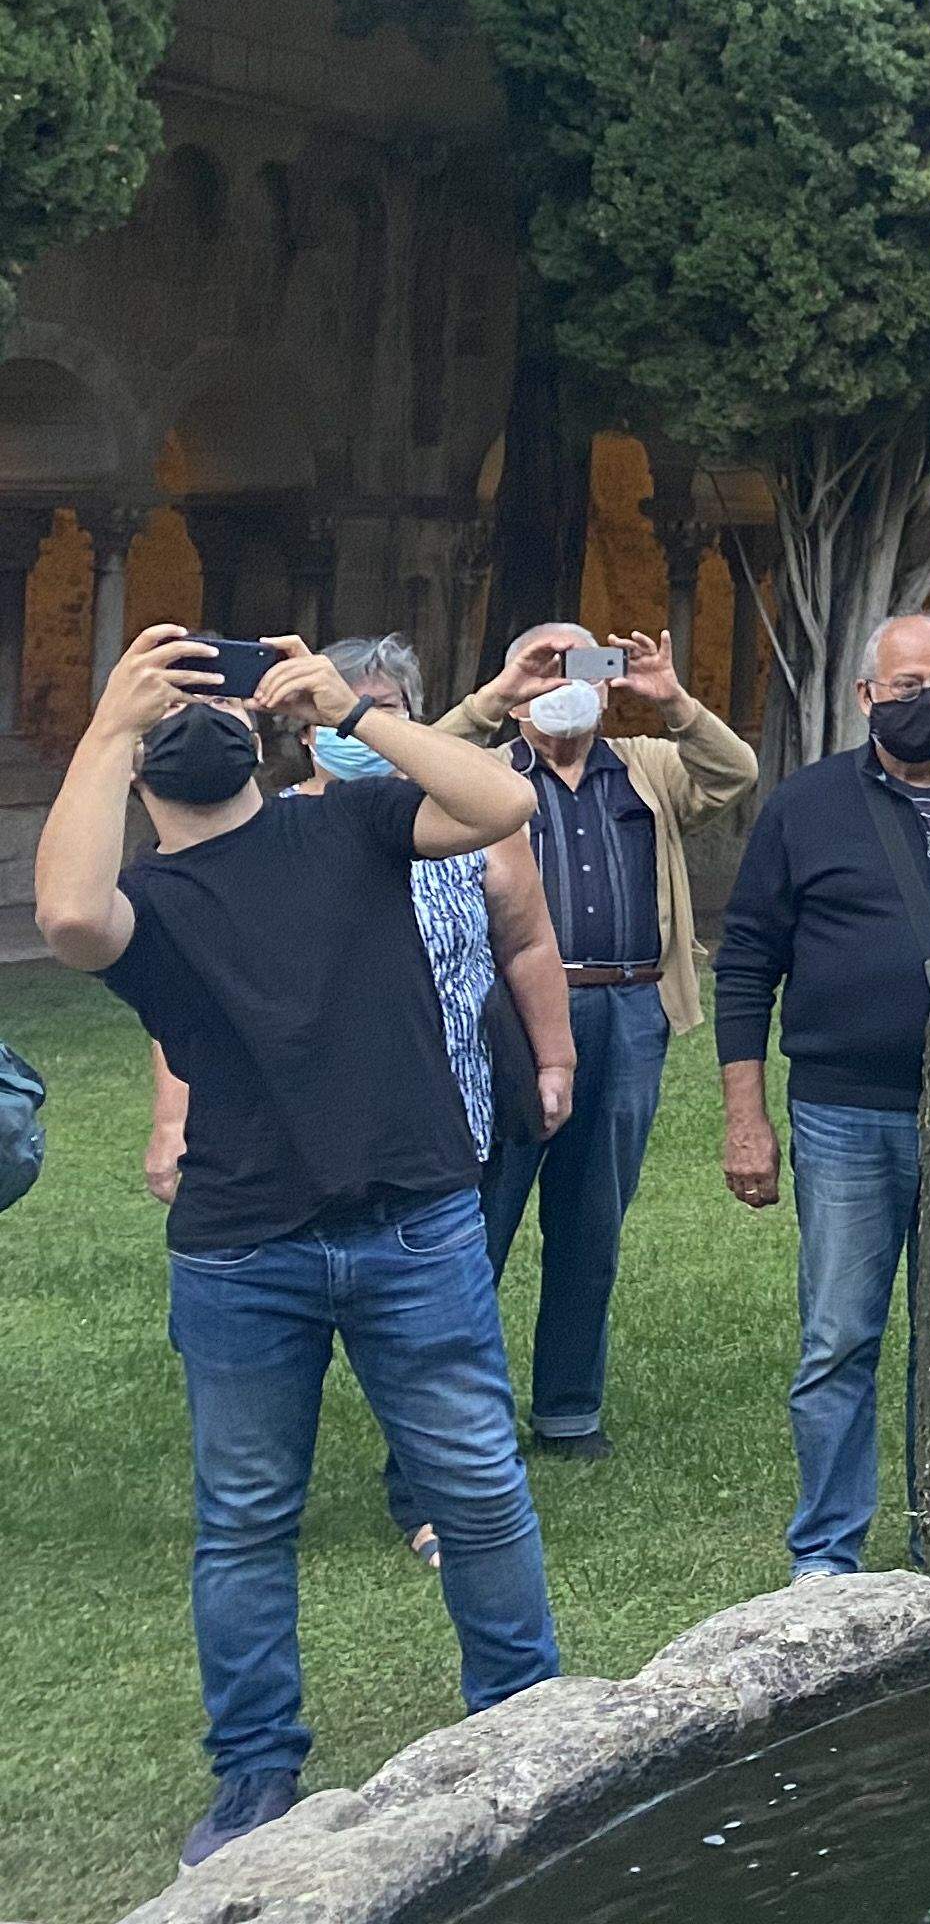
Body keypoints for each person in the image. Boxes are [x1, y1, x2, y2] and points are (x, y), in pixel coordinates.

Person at [33, 624, 561, 1868]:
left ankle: (533, 1724)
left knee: (478, 1489)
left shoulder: (347, 823)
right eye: (165, 720)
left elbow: (498, 797)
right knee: (246, 1520)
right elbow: (61, 907)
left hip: (414, 1220)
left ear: (264, 742)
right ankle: (258, 1775)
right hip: (242, 1253)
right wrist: (107, 725)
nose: (190, 719)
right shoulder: (142, 909)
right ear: (144, 774)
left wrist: (353, 713)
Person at [140, 634, 577, 1565]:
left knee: (457, 1351)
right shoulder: (263, 840)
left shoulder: (408, 812)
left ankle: (426, 1494)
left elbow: (525, 928)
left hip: (445, 1118)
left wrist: (554, 1056)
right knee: (254, 1505)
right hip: (286, 1158)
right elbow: (182, 993)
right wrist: (170, 1119)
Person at [713, 613, 930, 1577]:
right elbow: (746, 966)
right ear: (867, 696)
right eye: (907, 686)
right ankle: (825, 1552)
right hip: (844, 1112)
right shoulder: (805, 807)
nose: (928, 703)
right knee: (838, 1335)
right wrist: (748, 1118)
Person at [435, 622, 759, 1460]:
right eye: (545, 665)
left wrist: (673, 701)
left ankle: (568, 1412)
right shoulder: (484, 771)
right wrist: (495, 698)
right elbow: (406, 771)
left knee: (592, 1220)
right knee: (485, 1214)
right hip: (510, 1018)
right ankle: (459, 1422)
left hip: (627, 1011)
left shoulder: (644, 767)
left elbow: (736, 772)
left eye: (579, 665)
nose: (561, 682)